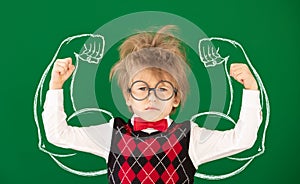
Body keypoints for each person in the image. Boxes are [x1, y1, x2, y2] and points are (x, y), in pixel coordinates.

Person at [42, 25, 262, 184]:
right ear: (128, 97)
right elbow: (58, 135)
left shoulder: (190, 137)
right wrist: (56, 86)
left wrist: (251, 89)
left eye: (163, 89)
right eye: (141, 88)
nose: (151, 98)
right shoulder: (111, 134)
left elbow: (242, 139)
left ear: (176, 98)